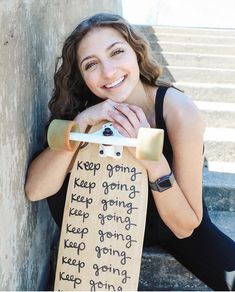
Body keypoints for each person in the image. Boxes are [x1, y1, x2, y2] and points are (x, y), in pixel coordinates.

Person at [25, 12, 235, 290]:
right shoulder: (81, 109)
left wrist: (150, 155)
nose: (108, 72)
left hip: (169, 221)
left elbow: (185, 226)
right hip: (103, 226)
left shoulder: (178, 111)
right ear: (82, 75)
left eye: (117, 52)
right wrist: (81, 125)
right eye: (91, 65)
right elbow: (35, 190)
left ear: (136, 52)